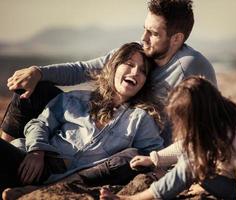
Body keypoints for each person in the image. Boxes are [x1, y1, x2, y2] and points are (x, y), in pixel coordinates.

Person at [1, 0, 217, 146]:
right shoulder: (136, 53)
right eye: (144, 29)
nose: (144, 37)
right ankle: (9, 150)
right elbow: (83, 70)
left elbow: (210, 122)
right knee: (31, 91)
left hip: (132, 143)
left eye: (153, 33)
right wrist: (37, 71)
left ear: (177, 39)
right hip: (100, 123)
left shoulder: (191, 66)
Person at [0, 42, 164, 194]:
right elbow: (40, 124)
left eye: (143, 71)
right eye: (129, 64)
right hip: (34, 164)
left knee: (132, 156)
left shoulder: (141, 119)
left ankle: (41, 190)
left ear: (145, 82)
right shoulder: (76, 99)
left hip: (80, 179)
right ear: (113, 67)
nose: (135, 72)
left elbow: (153, 157)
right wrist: (37, 151)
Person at [100, 76, 236, 200]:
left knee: (190, 164)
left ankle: (135, 199)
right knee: (192, 160)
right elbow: (186, 144)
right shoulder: (222, 116)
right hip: (235, 181)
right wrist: (153, 159)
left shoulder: (229, 132)